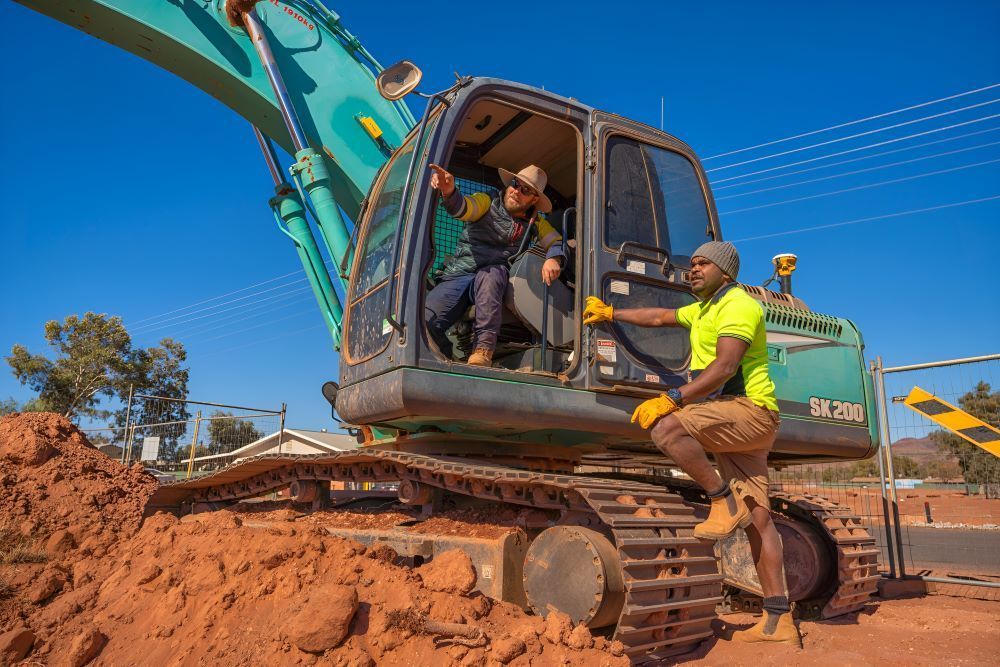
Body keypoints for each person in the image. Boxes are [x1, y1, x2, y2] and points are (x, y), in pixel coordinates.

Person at [583, 240, 801, 647]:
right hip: (737, 419)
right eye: (693, 262)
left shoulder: (737, 304)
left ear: (726, 272)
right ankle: (779, 619)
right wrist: (612, 312)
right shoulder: (702, 308)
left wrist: (674, 397)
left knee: (667, 427)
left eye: (703, 264)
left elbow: (725, 367)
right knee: (760, 519)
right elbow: (660, 315)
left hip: (749, 411)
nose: (693, 268)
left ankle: (722, 499)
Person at [425, 163, 565, 366]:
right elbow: (465, 208)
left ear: (534, 199)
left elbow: (555, 242)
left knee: (493, 273)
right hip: (460, 273)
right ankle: (449, 358)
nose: (517, 191)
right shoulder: (488, 200)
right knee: (424, 321)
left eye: (525, 190)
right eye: (516, 184)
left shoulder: (536, 223)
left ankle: (483, 350)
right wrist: (449, 193)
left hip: (493, 279)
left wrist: (553, 258)